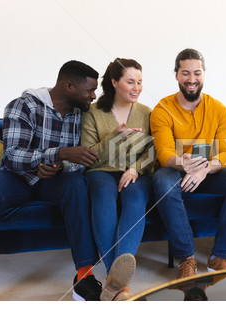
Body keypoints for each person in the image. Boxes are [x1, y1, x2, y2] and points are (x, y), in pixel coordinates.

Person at [0, 60, 102, 301]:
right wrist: (57, 154)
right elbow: (13, 154)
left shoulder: (83, 115)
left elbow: (82, 159)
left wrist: (60, 165)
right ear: (69, 86)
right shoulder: (23, 106)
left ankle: (84, 275)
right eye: (90, 90)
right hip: (16, 177)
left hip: (55, 180)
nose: (93, 95)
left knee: (77, 186)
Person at [150, 48, 226, 279]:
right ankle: (187, 258)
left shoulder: (218, 109)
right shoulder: (162, 109)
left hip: (210, 173)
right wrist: (183, 164)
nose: (191, 79)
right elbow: (164, 152)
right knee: (162, 179)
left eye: (197, 73)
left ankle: (220, 256)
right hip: (177, 173)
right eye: (185, 73)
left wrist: (204, 169)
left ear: (204, 74)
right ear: (176, 75)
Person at [81, 58, 154, 301]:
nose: (137, 87)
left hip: (134, 172)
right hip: (100, 170)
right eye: (130, 81)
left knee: (135, 196)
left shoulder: (146, 113)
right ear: (114, 82)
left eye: (140, 82)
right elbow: (88, 154)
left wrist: (135, 169)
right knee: (103, 195)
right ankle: (120, 282)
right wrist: (115, 135)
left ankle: (115, 284)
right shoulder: (92, 113)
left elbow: (152, 152)